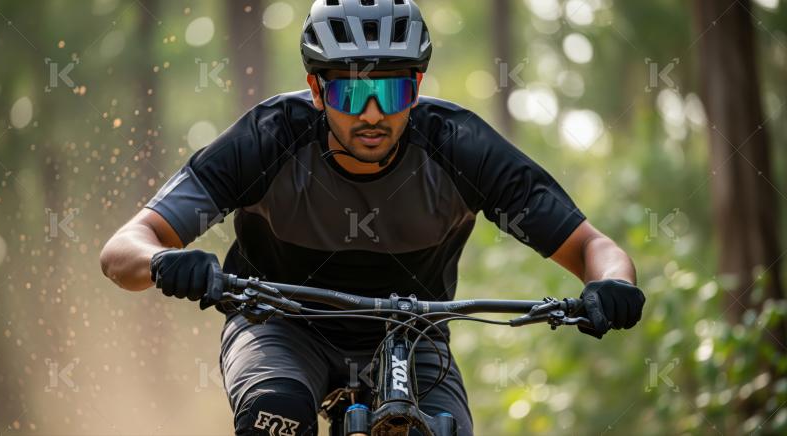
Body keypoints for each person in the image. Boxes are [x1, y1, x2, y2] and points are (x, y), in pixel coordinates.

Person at [99, 0, 645, 434]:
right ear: (315, 88)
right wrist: (167, 262)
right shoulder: (268, 138)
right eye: (351, 88)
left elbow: (596, 249)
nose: (373, 113)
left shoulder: (461, 147)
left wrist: (611, 285)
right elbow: (124, 250)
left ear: (418, 88)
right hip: (279, 324)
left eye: (391, 88)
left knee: (441, 430)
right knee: (278, 414)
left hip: (412, 335)